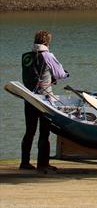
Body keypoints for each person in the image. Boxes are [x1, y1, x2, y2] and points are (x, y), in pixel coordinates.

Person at [20, 30, 69, 173]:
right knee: (44, 132)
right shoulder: (48, 55)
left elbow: (34, 74)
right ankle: (43, 164)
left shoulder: (25, 56)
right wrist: (65, 73)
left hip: (29, 98)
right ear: (47, 42)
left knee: (29, 131)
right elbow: (60, 74)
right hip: (44, 100)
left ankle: (24, 162)